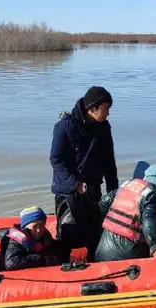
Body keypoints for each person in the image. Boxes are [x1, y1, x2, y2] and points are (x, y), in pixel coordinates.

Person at [50, 86, 118, 256]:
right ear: (92, 108)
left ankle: (96, 264)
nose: (108, 113)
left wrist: (114, 192)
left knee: (95, 234)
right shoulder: (64, 127)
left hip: (93, 187)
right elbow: (56, 160)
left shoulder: (104, 127)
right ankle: (62, 266)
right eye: (106, 108)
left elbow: (109, 161)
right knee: (67, 234)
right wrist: (75, 184)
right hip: (68, 191)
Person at [95, 164, 156, 262]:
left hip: (102, 251)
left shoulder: (126, 187)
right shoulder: (153, 195)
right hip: (126, 255)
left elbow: (103, 202)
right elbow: (149, 221)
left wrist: (102, 227)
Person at [3, 207, 67, 271]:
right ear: (25, 227)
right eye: (34, 226)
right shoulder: (16, 241)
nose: (39, 230)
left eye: (42, 225)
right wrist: (40, 259)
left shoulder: (45, 236)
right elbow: (10, 264)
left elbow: (57, 248)